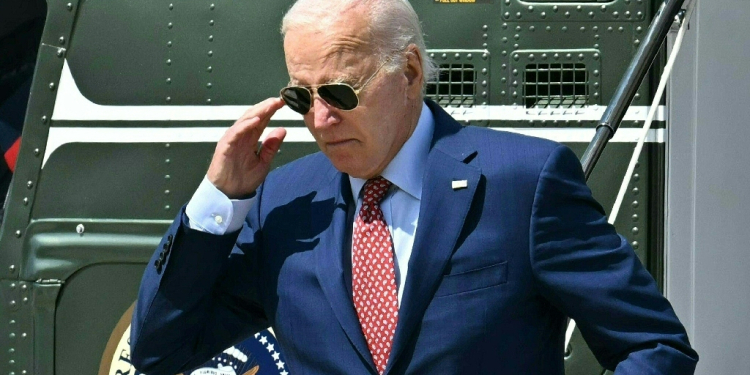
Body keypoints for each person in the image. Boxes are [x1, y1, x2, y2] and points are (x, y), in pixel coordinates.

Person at [130, 0, 698, 374]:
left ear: (409, 72)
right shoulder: (284, 203)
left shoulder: (522, 183)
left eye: (341, 93)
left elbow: (654, 345)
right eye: (301, 97)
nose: (319, 120)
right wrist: (218, 203)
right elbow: (159, 350)